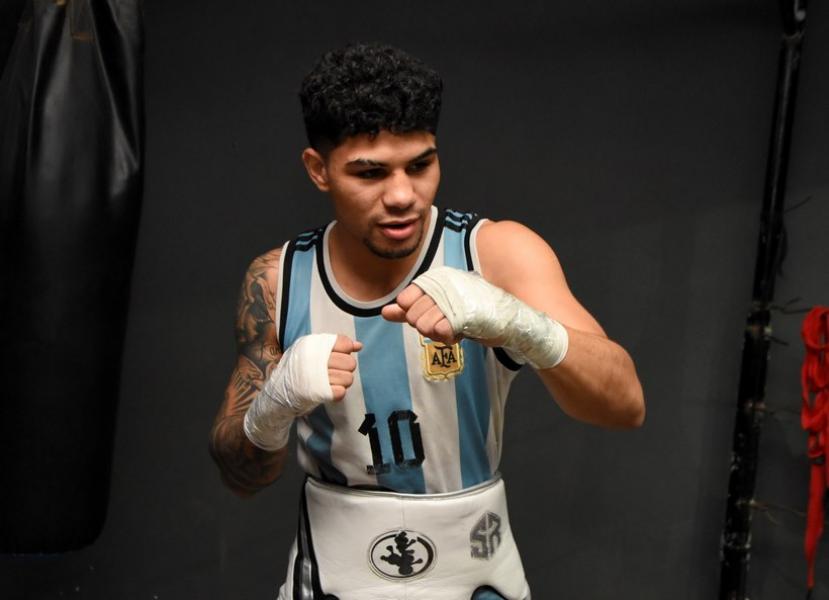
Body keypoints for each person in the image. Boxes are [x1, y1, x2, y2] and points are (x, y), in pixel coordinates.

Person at [209, 42, 644, 600]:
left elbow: (625, 404)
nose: (402, 196)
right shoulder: (278, 281)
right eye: (370, 173)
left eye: (420, 165)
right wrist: (272, 408)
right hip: (334, 578)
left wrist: (521, 325)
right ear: (319, 170)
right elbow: (239, 475)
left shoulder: (495, 253)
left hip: (476, 574)